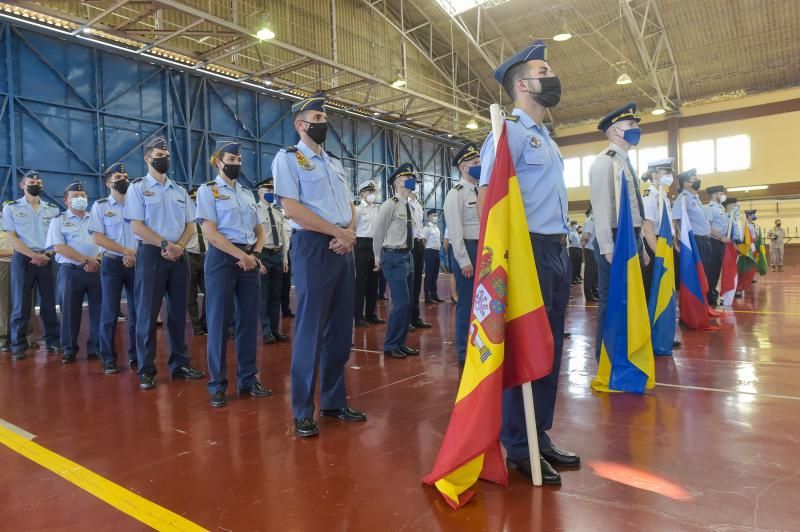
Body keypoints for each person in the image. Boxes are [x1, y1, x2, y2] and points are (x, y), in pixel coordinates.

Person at [477, 40, 578, 486]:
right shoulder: (508, 134)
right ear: (522, 84)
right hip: (526, 251)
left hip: (556, 249)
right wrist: (501, 259)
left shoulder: (545, 138)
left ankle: (540, 433)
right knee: (524, 346)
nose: (551, 77)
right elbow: (489, 198)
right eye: (544, 71)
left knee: (549, 346)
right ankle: (519, 445)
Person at [272, 92, 366, 438]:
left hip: (344, 247)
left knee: (341, 330)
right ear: (300, 124)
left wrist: (350, 232)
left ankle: (333, 399)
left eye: (325, 119)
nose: (323, 124)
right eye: (316, 119)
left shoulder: (335, 163)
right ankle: (302, 410)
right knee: (311, 329)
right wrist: (337, 232)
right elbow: (292, 209)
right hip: (314, 246)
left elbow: (350, 205)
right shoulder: (289, 159)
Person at [124, 135, 204, 390]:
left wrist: (179, 246)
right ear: (148, 159)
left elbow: (191, 224)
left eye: (166, 155)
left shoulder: (180, 190)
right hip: (151, 255)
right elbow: (137, 225)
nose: (164, 159)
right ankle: (146, 369)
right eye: (159, 156)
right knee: (147, 312)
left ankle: (179, 363)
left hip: (179, 255)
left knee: (179, 312)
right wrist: (164, 244)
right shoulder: (137, 188)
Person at [196, 140, 271, 408]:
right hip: (222, 258)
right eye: (231, 159)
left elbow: (259, 230)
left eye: (239, 160)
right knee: (218, 322)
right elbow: (211, 233)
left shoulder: (247, 194)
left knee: (249, 322)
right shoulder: (208, 191)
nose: (236, 164)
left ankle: (248, 379)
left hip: (250, 258)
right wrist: (243, 257)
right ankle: (217, 385)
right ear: (219, 162)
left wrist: (256, 255)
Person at [589, 102, 648, 363]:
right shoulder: (605, 163)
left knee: (629, 297)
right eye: (631, 125)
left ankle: (624, 349)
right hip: (614, 238)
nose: (637, 129)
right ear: (615, 131)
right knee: (612, 300)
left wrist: (642, 245)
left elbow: (636, 211)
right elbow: (601, 207)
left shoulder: (625, 162)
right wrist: (607, 246)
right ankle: (606, 354)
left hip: (630, 237)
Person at [2, 171, 62, 360]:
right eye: (31, 181)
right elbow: (12, 238)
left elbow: (56, 238)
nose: (35, 184)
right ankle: (18, 344)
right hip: (23, 259)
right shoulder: (11, 208)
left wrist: (46, 255)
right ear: (22, 185)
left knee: (49, 303)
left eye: (38, 181)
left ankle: (53, 341)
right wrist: (32, 255)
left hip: (46, 258)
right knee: (21, 303)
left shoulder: (52, 209)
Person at [88, 164, 138, 373]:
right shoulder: (100, 207)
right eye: (118, 176)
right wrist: (126, 251)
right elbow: (98, 237)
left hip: (136, 263)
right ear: (109, 182)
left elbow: (144, 232)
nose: (123, 179)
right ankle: (108, 357)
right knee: (108, 311)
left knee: (138, 312)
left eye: (125, 176)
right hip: (112, 263)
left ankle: (137, 355)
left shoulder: (138, 204)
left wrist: (134, 254)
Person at [45, 182, 101, 364]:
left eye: (83, 196)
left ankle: (96, 347)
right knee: (69, 312)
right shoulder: (58, 220)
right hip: (70, 272)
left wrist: (97, 260)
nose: (80, 199)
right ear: (66, 200)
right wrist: (86, 260)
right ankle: (69, 348)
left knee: (99, 311)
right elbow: (59, 247)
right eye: (76, 196)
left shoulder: (96, 218)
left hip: (97, 270)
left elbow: (106, 242)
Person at [372, 163, 421, 360]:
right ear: (398, 181)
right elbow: (378, 233)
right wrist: (377, 257)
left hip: (407, 255)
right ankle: (391, 344)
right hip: (392, 256)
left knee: (407, 302)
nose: (412, 181)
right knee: (400, 303)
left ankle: (400, 343)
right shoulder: (390, 204)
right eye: (408, 178)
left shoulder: (408, 205)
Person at [443, 143, 481, 365]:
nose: (480, 166)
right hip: (467, 250)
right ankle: (464, 352)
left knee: (481, 303)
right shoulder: (455, 194)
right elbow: (455, 231)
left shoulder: (479, 191)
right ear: (464, 167)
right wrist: (464, 261)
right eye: (475, 163)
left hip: (482, 248)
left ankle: (478, 346)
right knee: (466, 304)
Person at [255, 178, 290, 344]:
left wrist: (284, 258)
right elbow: (252, 237)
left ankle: (276, 330)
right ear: (260, 193)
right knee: (264, 296)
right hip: (263, 254)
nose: (270, 194)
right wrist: (257, 260)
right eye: (267, 192)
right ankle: (267, 330)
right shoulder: (254, 211)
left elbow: (284, 238)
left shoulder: (277, 213)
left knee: (276, 295)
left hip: (277, 255)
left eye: (272, 192)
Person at [672, 168, 713, 300]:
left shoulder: (695, 197)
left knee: (705, 272)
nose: (697, 180)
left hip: (705, 239)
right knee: (696, 274)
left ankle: (703, 303)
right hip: (695, 241)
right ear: (686, 182)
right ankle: (694, 305)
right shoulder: (682, 198)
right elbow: (675, 220)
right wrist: (676, 242)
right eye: (694, 179)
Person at [640, 158, 676, 300]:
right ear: (655, 175)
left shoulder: (663, 196)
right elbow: (648, 230)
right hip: (653, 245)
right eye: (666, 172)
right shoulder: (649, 196)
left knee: (662, 288)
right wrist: (660, 254)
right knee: (652, 287)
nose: (670, 176)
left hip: (663, 243)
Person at [353, 180, 384, 327]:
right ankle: (358, 316)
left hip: (375, 245)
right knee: (360, 282)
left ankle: (371, 314)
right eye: (368, 192)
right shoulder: (358, 209)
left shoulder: (377, 210)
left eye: (373, 192)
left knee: (373, 282)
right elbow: (353, 229)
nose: (371, 195)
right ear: (362, 194)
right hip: (361, 245)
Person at [185, 187, 207, 336]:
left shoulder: (206, 218)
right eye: (193, 200)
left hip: (205, 256)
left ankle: (205, 322)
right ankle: (196, 325)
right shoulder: (184, 219)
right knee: (190, 293)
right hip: (190, 256)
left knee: (210, 291)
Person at [408, 190, 431, 330]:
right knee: (409, 282)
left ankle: (415, 317)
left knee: (417, 282)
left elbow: (419, 226)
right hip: (408, 244)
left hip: (418, 243)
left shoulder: (418, 204)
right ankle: (407, 319)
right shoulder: (404, 203)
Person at [704, 185, 730, 306]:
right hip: (714, 241)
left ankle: (713, 292)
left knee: (717, 269)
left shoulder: (720, 208)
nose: (722, 195)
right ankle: (709, 295)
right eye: (721, 193)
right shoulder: (710, 208)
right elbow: (708, 227)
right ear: (714, 194)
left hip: (720, 242)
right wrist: (720, 237)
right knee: (712, 270)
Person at [423, 209, 443, 303]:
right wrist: (425, 253)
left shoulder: (436, 227)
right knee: (429, 275)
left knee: (435, 275)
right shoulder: (427, 227)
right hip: (430, 252)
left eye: (436, 215)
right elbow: (423, 241)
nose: (436, 217)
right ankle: (427, 296)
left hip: (436, 252)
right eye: (433, 215)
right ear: (428, 217)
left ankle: (434, 295)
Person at [580, 208, 599, 302]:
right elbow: (586, 236)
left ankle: (595, 291)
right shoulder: (591, 219)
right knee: (589, 273)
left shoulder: (594, 218)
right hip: (590, 248)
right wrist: (583, 246)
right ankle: (588, 294)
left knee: (594, 273)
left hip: (594, 249)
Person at [442, 228, 457, 303]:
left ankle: (457, 294)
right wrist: (447, 254)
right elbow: (445, 242)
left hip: (459, 246)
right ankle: (453, 295)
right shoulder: (449, 225)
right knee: (453, 273)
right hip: (452, 247)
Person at [568, 220, 582, 285]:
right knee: (573, 265)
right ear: (573, 225)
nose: (577, 225)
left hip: (578, 249)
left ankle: (576, 278)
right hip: (573, 249)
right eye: (576, 224)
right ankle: (572, 280)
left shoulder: (576, 232)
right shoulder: (571, 232)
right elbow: (570, 241)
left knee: (577, 264)